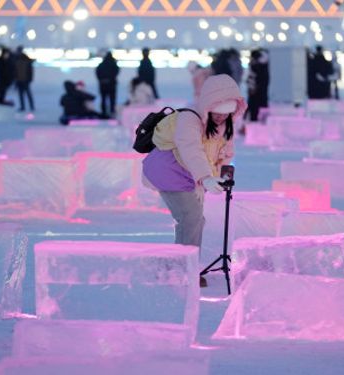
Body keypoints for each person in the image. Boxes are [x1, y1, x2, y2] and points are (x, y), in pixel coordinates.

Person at [141, 74, 247, 287]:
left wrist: (220, 175)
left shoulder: (225, 125)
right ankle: (185, 271)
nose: (221, 118)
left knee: (193, 220)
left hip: (191, 174)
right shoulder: (189, 118)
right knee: (191, 219)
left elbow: (224, 152)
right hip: (168, 169)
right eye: (217, 112)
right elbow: (192, 149)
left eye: (227, 113)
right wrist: (205, 177)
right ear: (208, 105)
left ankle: (177, 264)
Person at [245, 49, 269, 122]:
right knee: (259, 107)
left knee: (254, 106)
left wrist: (252, 87)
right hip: (260, 90)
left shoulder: (255, 66)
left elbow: (252, 78)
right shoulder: (264, 65)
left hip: (255, 90)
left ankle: (252, 120)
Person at [95, 51, 120, 118]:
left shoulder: (101, 64)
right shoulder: (114, 64)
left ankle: (104, 113)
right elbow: (117, 72)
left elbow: (97, 73)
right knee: (112, 99)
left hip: (103, 84)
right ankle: (112, 112)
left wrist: (102, 79)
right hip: (112, 85)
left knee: (103, 99)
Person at [14, 46, 35, 112]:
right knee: (22, 94)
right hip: (20, 80)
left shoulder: (24, 59)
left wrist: (29, 79)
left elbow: (30, 71)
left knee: (26, 93)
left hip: (25, 80)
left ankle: (30, 106)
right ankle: (24, 107)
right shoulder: (17, 59)